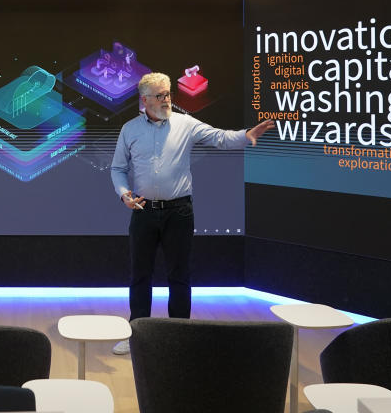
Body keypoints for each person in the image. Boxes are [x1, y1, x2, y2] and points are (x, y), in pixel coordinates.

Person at [109, 72, 274, 354]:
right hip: (144, 210)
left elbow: (220, 138)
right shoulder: (130, 130)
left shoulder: (185, 124)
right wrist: (124, 193)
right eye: (160, 95)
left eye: (168, 94)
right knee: (140, 276)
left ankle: (179, 335)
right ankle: (136, 334)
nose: (166, 100)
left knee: (179, 275)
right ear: (145, 99)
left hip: (179, 212)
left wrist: (245, 136)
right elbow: (117, 169)